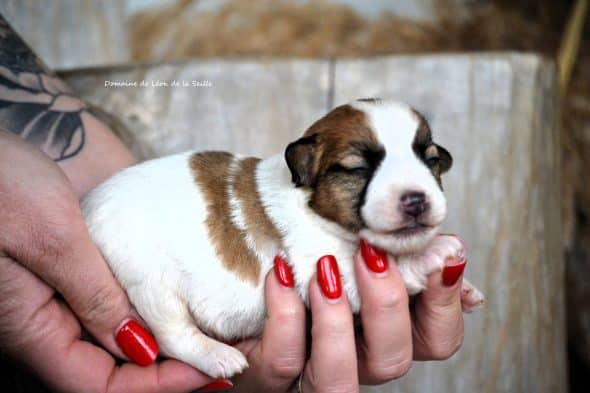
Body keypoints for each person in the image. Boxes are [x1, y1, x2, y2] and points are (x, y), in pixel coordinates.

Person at [0, 15, 467, 393]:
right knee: (127, 233)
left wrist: (418, 278)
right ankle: (179, 337)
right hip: (124, 227)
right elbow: (330, 286)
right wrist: (413, 270)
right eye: (359, 169)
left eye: (426, 161)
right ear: (305, 169)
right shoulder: (294, 212)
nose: (413, 192)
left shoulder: (331, 216)